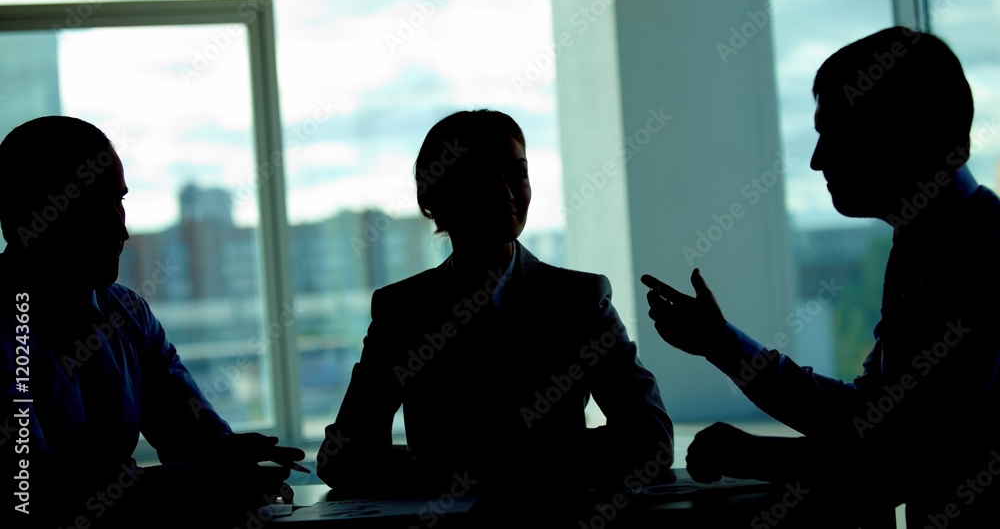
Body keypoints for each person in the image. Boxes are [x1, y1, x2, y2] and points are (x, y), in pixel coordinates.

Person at [644, 27, 1000, 526]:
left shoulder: (980, 257)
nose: (815, 160)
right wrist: (722, 344)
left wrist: (754, 454)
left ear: (895, 132)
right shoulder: (933, 245)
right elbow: (878, 418)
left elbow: (912, 460)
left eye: (831, 133)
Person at [317, 109, 673, 508]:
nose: (506, 193)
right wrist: (537, 456)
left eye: (518, 174)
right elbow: (341, 458)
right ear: (432, 196)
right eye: (482, 177)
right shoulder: (402, 309)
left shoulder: (577, 298)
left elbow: (652, 439)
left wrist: (450, 465)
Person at [0, 116, 305, 527]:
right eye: (94, 203)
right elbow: (30, 489)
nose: (120, 228)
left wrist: (229, 455)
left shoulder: (128, 315)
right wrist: (201, 482)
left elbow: (191, 434)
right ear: (33, 211)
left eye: (119, 200)